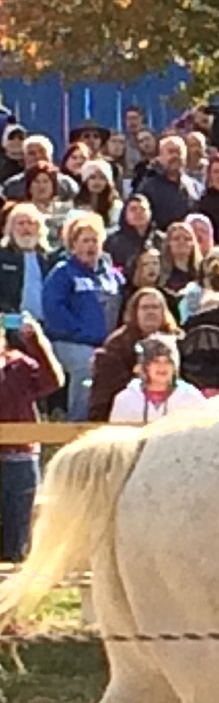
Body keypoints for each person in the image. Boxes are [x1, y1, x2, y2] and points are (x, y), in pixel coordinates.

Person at [40, 211, 121, 422]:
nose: (90, 246)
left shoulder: (110, 276)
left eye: (95, 240)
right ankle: (77, 424)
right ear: (73, 245)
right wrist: (80, 332)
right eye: (85, 241)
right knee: (87, 367)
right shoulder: (63, 272)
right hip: (69, 341)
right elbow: (53, 308)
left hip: (105, 342)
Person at [0, 312, 61, 561]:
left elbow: (52, 382)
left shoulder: (20, 365)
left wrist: (36, 340)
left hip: (20, 454)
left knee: (19, 536)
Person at [87, 287, 180, 423]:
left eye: (155, 307)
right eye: (144, 308)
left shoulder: (179, 341)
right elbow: (105, 391)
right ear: (135, 312)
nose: (150, 312)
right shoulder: (117, 344)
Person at [108, 334, 208, 424]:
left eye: (168, 361)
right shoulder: (125, 399)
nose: (162, 367)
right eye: (156, 361)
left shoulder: (191, 397)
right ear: (145, 366)